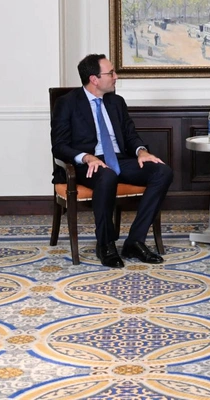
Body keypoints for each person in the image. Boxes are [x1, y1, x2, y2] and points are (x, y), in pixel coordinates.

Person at [51, 54, 172, 268]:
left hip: (119, 159)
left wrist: (142, 151)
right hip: (88, 165)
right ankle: (105, 244)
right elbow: (59, 145)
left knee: (162, 171)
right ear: (94, 79)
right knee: (106, 176)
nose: (116, 76)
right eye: (111, 73)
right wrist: (86, 157)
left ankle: (134, 241)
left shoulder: (116, 102)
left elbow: (130, 134)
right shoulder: (67, 103)